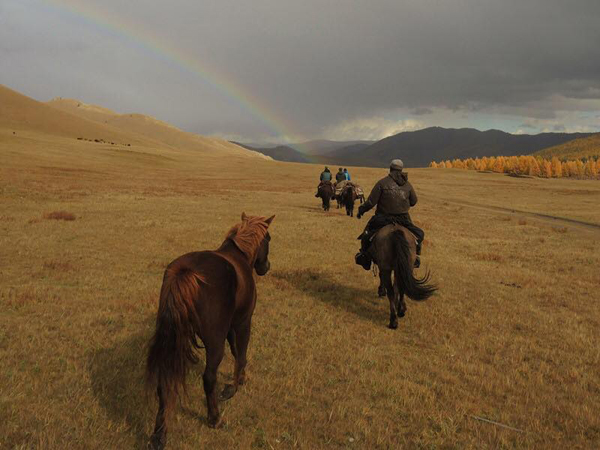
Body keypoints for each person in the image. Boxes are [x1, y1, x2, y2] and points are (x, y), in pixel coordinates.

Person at [355, 159, 424, 270]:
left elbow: (371, 202)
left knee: (366, 235)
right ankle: (415, 257)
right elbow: (414, 202)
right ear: (401, 170)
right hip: (403, 219)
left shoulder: (382, 183)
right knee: (419, 234)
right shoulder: (408, 185)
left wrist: (361, 210)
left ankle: (365, 257)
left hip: (383, 218)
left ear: (390, 169)